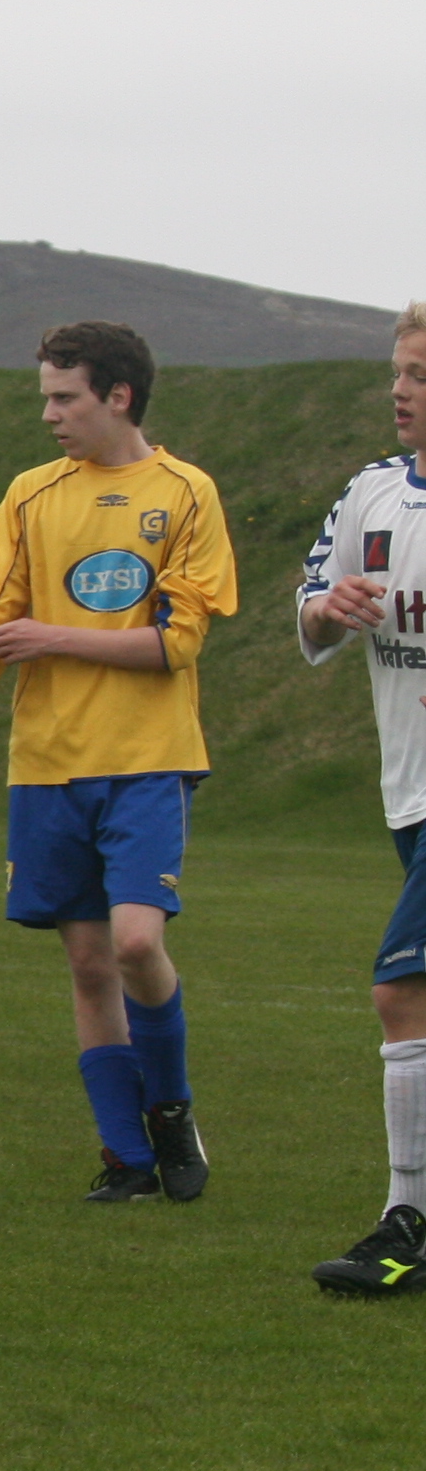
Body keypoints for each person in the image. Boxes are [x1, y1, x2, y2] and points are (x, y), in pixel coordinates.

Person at [0, 321, 234, 1200]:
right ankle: (127, 1158)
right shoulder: (31, 496)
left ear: (119, 396)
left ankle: (171, 1107)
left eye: (65, 397)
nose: (49, 415)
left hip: (147, 758)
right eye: (46, 397)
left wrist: (56, 637)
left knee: (137, 942)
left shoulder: (186, 493)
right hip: (46, 766)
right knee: (88, 963)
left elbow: (177, 642)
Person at [299, 312, 426, 1294]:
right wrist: (329, 611)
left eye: (419, 375)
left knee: (401, 991)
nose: (400, 390)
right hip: (408, 795)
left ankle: (407, 1224)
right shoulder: (371, 491)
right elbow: (311, 615)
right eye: (399, 372)